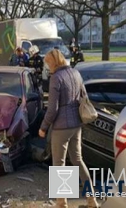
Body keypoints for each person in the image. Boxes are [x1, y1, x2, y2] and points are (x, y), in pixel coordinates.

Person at [38, 49, 99, 208]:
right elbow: (84, 96)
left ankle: (62, 203)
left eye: (47, 63)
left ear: (52, 63)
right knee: (78, 160)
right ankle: (92, 200)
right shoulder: (76, 73)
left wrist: (43, 127)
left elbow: (52, 109)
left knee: (59, 164)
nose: (47, 66)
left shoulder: (55, 78)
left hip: (61, 127)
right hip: (76, 125)